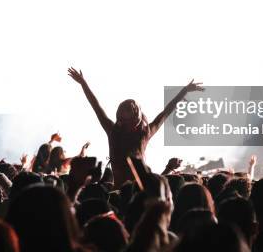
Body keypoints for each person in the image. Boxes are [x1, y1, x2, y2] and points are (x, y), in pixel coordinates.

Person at [68, 67, 203, 187]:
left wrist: (83, 83)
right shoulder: (139, 133)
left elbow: (96, 106)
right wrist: (184, 91)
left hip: (125, 190)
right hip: (133, 191)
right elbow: (165, 113)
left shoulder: (118, 131)